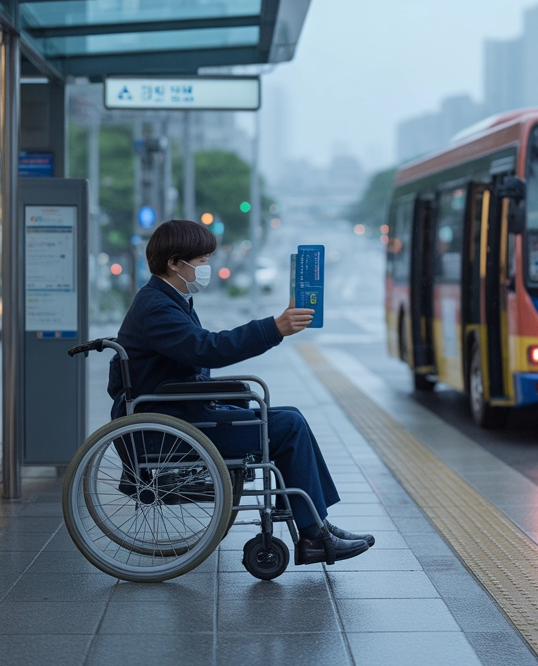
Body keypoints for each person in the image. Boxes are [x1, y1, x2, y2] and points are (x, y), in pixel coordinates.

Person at [108, 219, 372, 565]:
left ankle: (316, 527)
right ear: (174, 263)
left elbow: (194, 359)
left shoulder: (166, 300)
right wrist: (273, 328)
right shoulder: (157, 307)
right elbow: (207, 350)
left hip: (176, 415)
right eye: (201, 261)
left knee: (289, 417)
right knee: (288, 426)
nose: (206, 268)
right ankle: (314, 534)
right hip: (165, 428)